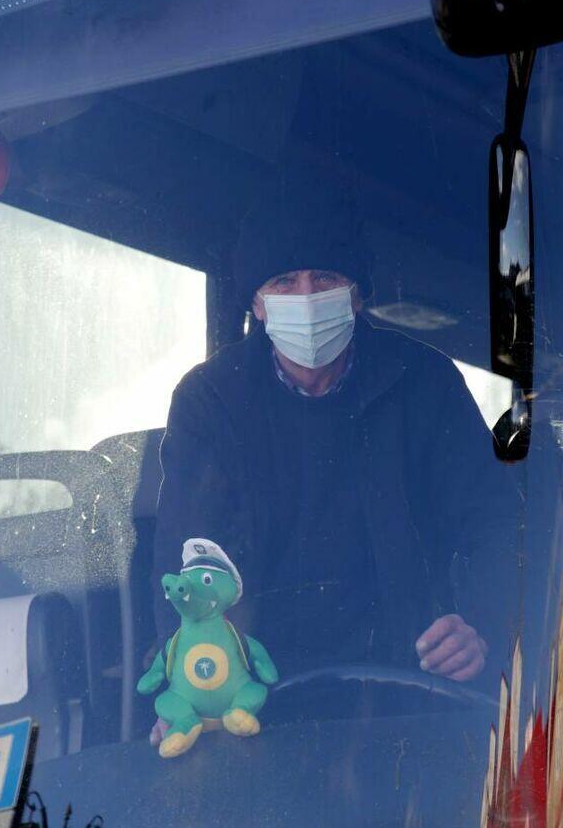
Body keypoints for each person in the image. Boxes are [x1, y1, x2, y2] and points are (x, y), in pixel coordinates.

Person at [148, 190, 511, 745]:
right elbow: (188, 557)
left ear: (356, 294)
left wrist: (481, 627)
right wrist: (191, 680)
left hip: (414, 695)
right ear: (257, 304)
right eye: (284, 281)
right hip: (260, 704)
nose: (307, 296)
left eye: (324, 277)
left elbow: (497, 523)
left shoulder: (425, 383)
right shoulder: (210, 402)